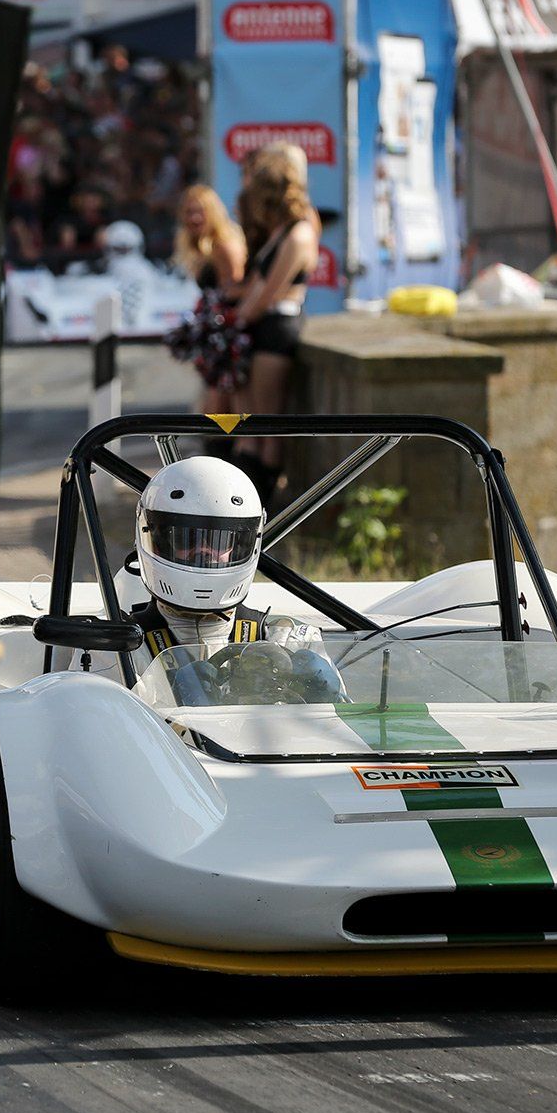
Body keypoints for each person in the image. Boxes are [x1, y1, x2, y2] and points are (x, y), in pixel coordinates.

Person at [126, 457, 341, 710]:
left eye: (218, 542)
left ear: (242, 544)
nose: (203, 552)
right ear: (155, 539)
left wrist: (324, 701)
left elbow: (342, 736)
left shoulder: (287, 641)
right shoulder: (119, 649)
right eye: (185, 540)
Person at [232, 144, 320, 499]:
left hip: (277, 328)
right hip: (263, 326)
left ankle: (264, 497)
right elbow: (254, 285)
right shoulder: (280, 231)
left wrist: (237, 321)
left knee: (267, 421)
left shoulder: (298, 234)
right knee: (251, 420)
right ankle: (250, 491)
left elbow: (270, 290)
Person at [167, 184, 248, 417]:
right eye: (188, 212)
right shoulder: (201, 247)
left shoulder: (224, 245)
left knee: (220, 417)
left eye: (200, 211)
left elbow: (238, 289)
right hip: (216, 335)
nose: (194, 218)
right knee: (214, 414)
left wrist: (213, 315)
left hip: (228, 338)